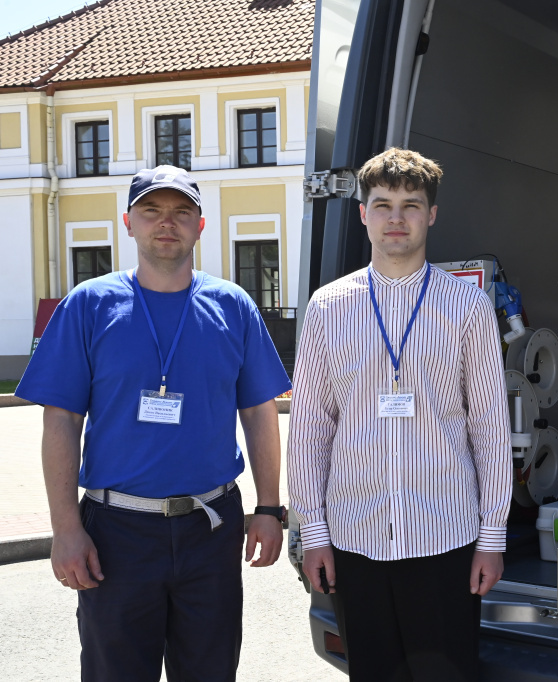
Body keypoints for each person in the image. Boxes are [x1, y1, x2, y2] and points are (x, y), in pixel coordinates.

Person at [15, 165, 292, 682]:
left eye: (182, 212)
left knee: (210, 671)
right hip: (116, 533)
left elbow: (259, 413)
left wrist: (269, 508)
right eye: (151, 211)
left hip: (211, 527)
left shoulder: (233, 306)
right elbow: (61, 422)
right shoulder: (89, 306)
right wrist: (66, 530)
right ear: (128, 222)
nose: (167, 222)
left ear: (200, 226)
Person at [288, 147, 512, 681]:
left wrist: (492, 537)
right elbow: (311, 428)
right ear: (362, 214)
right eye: (382, 205)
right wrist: (313, 532)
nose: (396, 218)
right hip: (355, 541)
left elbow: (489, 427)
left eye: (410, 205)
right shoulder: (327, 308)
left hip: (446, 541)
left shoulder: (467, 307)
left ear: (431, 215)